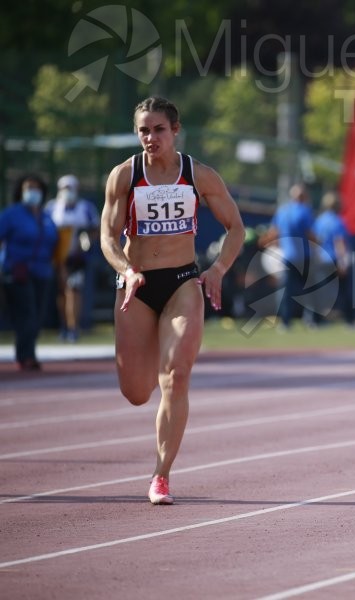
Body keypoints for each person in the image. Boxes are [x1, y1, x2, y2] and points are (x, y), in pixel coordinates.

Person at [100, 96, 245, 505]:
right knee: (136, 391)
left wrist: (216, 270)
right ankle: (147, 404)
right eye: (144, 130)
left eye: (158, 130)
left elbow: (236, 228)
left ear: (175, 131)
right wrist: (126, 271)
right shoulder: (124, 176)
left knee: (176, 376)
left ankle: (161, 475)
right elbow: (107, 237)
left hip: (183, 281)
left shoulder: (198, 175)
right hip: (137, 286)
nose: (151, 138)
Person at [0, 174, 59, 371]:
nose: (33, 192)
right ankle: (24, 355)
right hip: (18, 272)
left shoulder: (46, 216)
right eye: (28, 188)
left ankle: (29, 353)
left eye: (36, 188)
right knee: (27, 313)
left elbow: (55, 242)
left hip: (43, 272)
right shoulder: (11, 215)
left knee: (38, 315)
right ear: (21, 191)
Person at [45, 174, 100, 342]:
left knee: (74, 290)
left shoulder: (86, 208)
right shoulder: (52, 207)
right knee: (62, 292)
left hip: (77, 258)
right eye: (64, 188)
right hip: (58, 257)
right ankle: (64, 326)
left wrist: (85, 242)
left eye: (70, 188)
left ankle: (74, 327)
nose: (67, 191)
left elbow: (95, 229)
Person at [259, 183, 317, 330]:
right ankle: (310, 321)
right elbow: (311, 234)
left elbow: (273, 233)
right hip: (304, 257)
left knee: (286, 291)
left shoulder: (283, 211)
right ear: (304, 196)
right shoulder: (305, 211)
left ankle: (285, 322)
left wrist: (266, 242)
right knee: (309, 290)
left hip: (288, 257)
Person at [312, 191, 355, 327]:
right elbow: (339, 242)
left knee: (320, 291)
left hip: (321, 260)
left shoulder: (319, 220)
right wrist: (343, 263)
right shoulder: (338, 221)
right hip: (334, 259)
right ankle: (351, 321)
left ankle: (316, 321)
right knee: (343, 291)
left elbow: (315, 241)